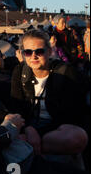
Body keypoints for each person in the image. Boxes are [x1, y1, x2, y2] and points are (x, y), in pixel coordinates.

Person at [10, 29, 89, 157]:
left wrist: (37, 133)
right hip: (30, 125)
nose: (34, 56)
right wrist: (29, 129)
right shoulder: (19, 71)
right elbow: (16, 107)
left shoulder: (66, 73)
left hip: (58, 127)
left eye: (39, 51)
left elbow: (71, 115)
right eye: (28, 52)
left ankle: (32, 150)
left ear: (50, 51)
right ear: (23, 54)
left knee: (77, 137)